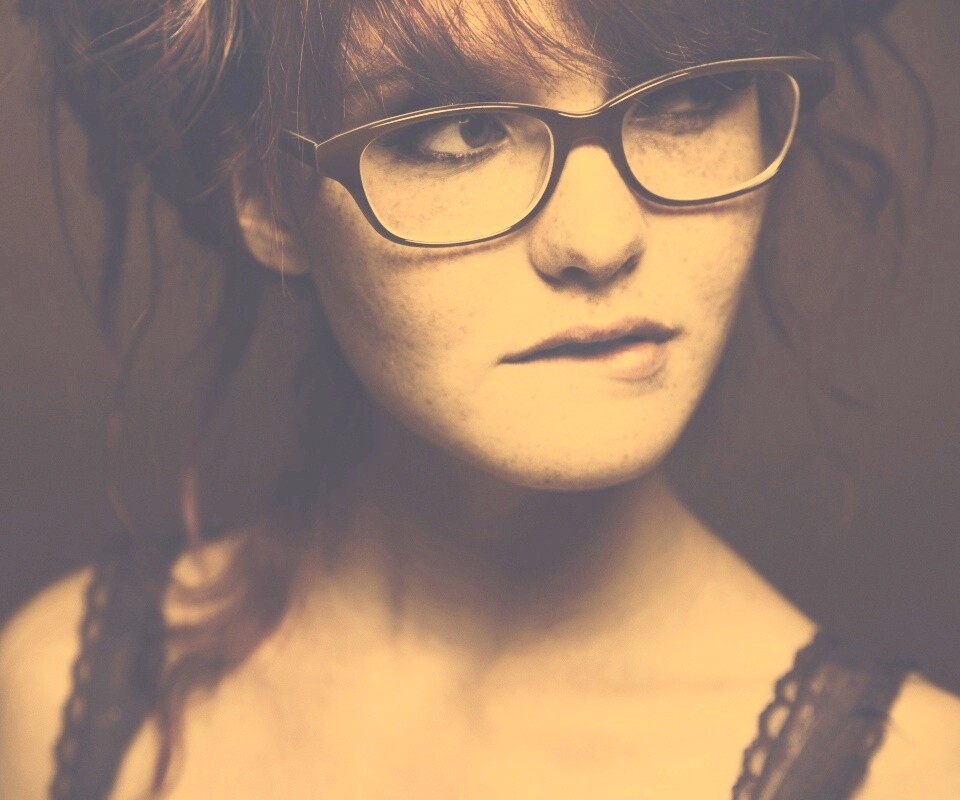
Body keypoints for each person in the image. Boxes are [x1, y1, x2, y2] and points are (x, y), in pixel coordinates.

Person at [1, 0, 958, 798]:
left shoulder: (917, 778)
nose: (600, 238)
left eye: (689, 95)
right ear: (266, 194)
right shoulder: (56, 699)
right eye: (459, 131)